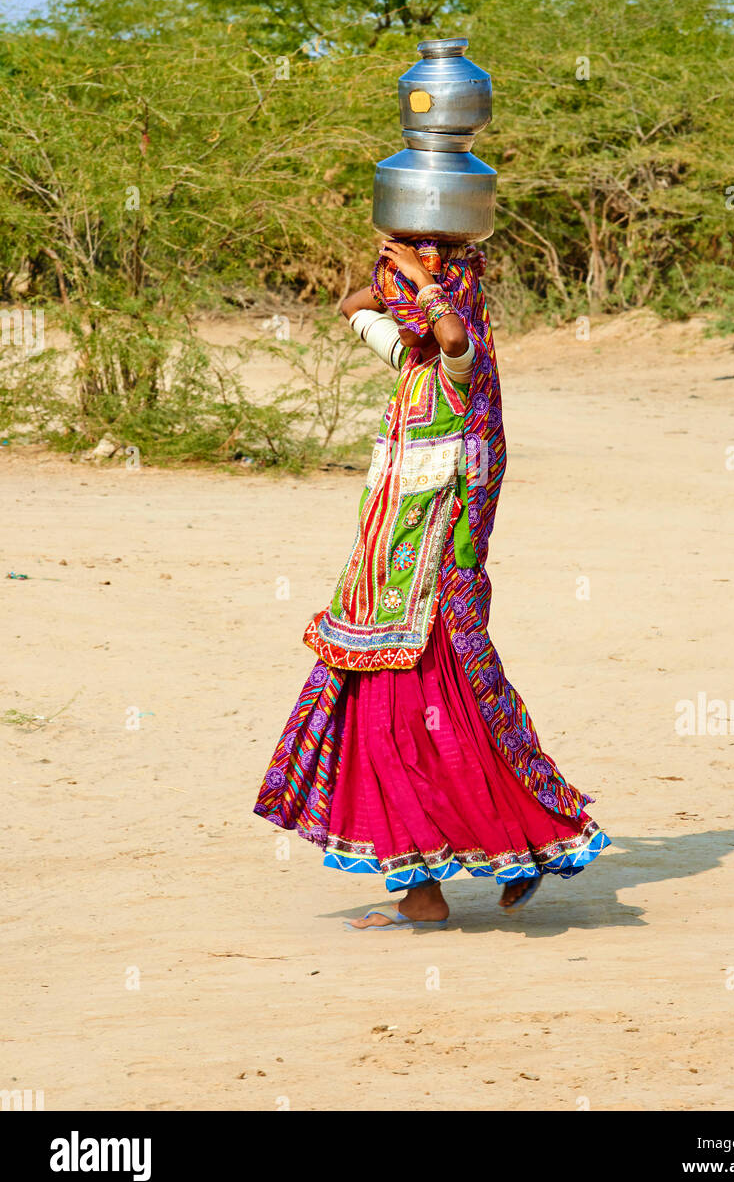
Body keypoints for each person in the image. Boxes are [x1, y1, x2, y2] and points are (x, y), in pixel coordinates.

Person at [254, 237, 609, 930]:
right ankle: (428, 888)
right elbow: (349, 306)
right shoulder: (409, 363)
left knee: (428, 726)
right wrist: (393, 277)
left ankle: (510, 851)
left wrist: (423, 278)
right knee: (385, 732)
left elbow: (451, 334)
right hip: (378, 583)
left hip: (430, 594)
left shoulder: (458, 372)